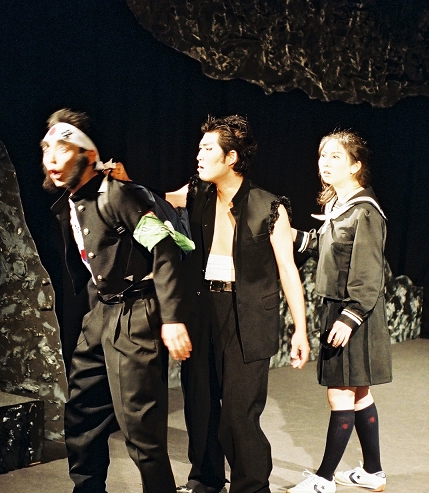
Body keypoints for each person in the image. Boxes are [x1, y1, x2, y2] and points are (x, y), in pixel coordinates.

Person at [41, 108, 192, 493]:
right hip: (100, 313)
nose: (51, 160)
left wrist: (171, 319)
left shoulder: (118, 195)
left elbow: (164, 250)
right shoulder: (71, 201)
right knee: (82, 415)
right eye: (46, 150)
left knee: (141, 430)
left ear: (88, 155)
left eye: (62, 150)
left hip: (136, 314)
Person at [167, 115, 311, 493]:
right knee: (200, 402)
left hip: (247, 314)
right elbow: (154, 200)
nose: (198, 155)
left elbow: (287, 269)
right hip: (202, 309)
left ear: (231, 157)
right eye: (199, 148)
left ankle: (252, 486)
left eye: (207, 149)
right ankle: (205, 478)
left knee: (238, 411)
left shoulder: (270, 206)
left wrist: (300, 330)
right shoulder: (196, 191)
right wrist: (120, 181)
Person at [286, 130, 392, 493]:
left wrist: (351, 317)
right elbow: (328, 246)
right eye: (323, 156)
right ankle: (373, 472)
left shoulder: (366, 211)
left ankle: (323, 479)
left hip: (352, 312)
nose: (325, 163)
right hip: (344, 309)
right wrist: (291, 235)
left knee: (340, 395)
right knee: (359, 394)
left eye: (336, 157)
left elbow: (369, 272)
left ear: (355, 166)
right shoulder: (341, 205)